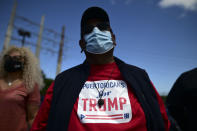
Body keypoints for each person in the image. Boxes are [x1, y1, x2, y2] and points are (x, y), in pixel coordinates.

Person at [31, 6, 170, 131]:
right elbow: (40, 126)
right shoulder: (62, 82)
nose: (96, 32)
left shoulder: (139, 77)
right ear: (81, 44)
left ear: (113, 38)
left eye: (103, 27)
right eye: (88, 30)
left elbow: (162, 121)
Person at [0, 46, 44, 131]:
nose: (11, 60)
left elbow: (32, 117)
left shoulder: (30, 85)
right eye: (8, 58)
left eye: (16, 58)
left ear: (25, 62)